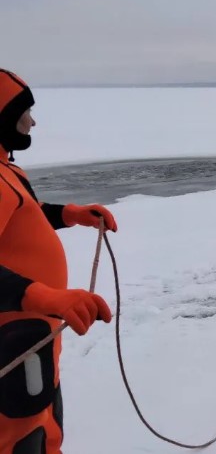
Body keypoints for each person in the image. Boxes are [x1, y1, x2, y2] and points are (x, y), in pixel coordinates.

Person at [0, 69, 118, 454]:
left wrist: (71, 214)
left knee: (46, 425)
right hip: (12, 342)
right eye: (23, 113)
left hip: (34, 338)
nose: (32, 122)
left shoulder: (6, 169)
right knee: (20, 435)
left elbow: (26, 214)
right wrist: (43, 297)